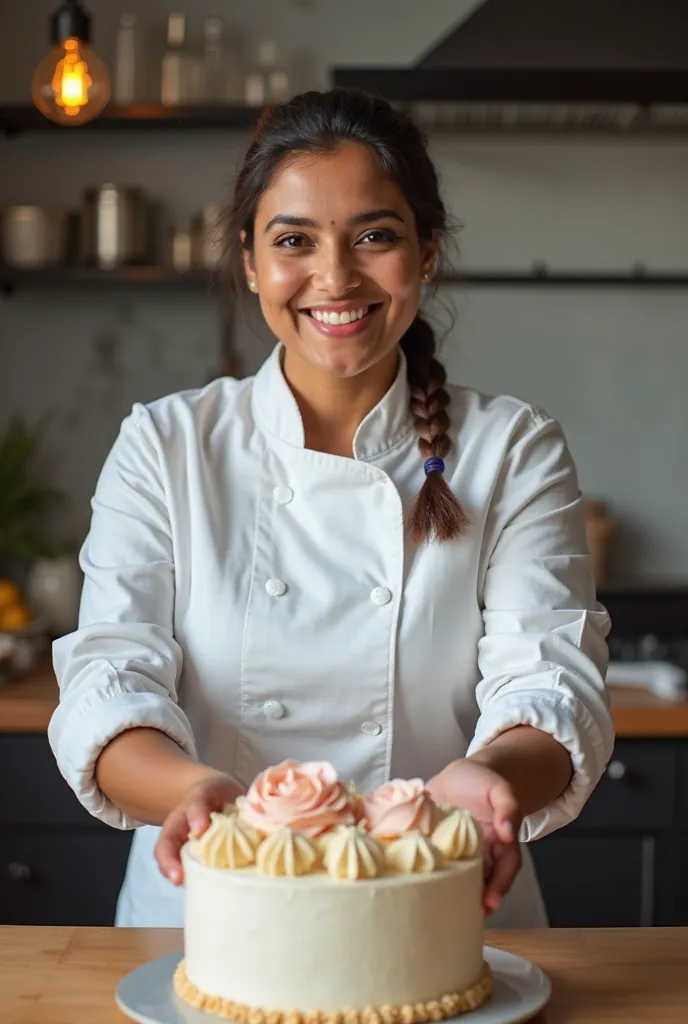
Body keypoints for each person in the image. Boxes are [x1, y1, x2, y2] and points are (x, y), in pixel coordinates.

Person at [49, 88, 614, 928]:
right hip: (208, 902)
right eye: (294, 241)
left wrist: (486, 778)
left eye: (375, 236)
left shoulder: (511, 447)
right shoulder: (167, 446)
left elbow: (549, 676)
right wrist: (195, 793)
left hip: (444, 899)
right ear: (250, 260)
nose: (336, 277)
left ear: (427, 252)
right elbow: (109, 677)